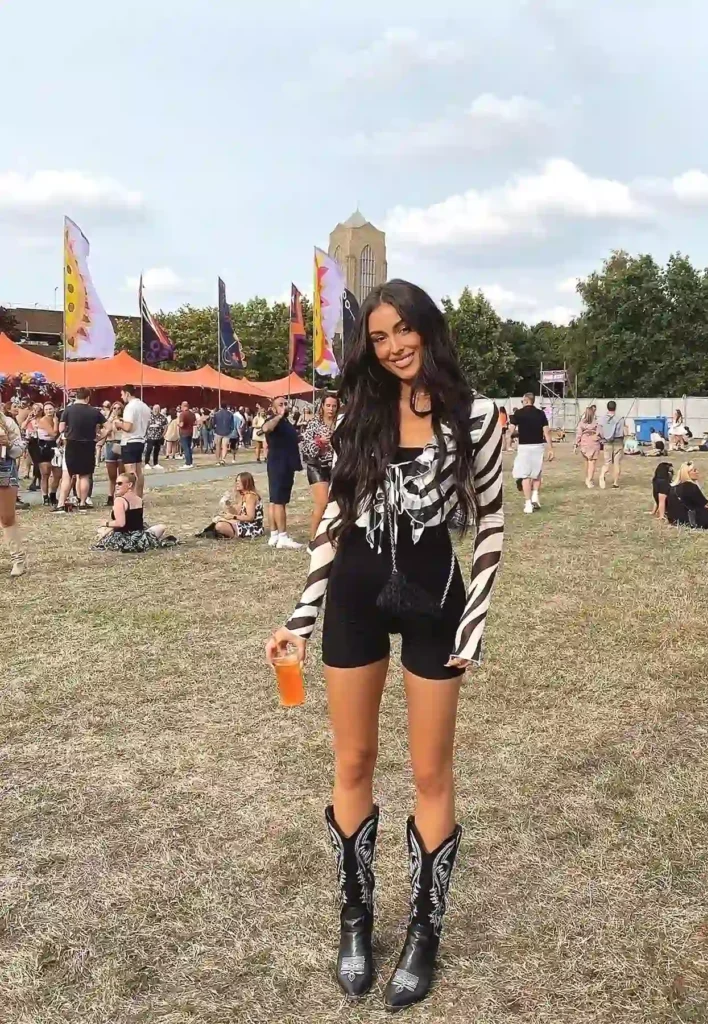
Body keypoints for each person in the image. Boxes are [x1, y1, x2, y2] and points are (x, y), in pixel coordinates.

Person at [266, 280, 504, 1010]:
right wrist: (300, 618)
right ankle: (356, 919)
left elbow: (492, 525)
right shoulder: (360, 414)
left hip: (436, 602)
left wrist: (475, 623)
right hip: (355, 600)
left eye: (404, 330)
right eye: (379, 336)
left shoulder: (478, 416)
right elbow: (332, 523)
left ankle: (424, 930)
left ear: (428, 330)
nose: (395, 346)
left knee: (432, 771)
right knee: (353, 760)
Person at [92, 471, 175, 552]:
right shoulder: (139, 499)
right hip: (140, 537)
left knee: (101, 529)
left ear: (129, 485)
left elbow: (120, 523)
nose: (116, 486)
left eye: (120, 483)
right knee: (160, 527)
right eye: (116, 483)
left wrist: (106, 523)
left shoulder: (120, 500)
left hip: (123, 539)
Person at [55, 389, 106, 513]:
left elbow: (61, 428)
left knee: (67, 475)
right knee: (84, 476)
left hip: (72, 443)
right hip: (88, 444)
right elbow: (108, 426)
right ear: (88, 398)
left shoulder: (68, 410)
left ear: (76, 397)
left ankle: (61, 504)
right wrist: (99, 437)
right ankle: (83, 503)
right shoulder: (94, 411)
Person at [263, 398, 303, 549]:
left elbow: (291, 438)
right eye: (280, 404)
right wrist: (279, 416)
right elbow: (266, 429)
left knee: (274, 500)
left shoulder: (285, 423)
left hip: (285, 463)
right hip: (279, 463)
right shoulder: (273, 420)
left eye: (286, 404)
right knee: (279, 501)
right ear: (273, 408)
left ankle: (274, 535)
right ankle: (283, 536)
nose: (284, 407)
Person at [300, 393, 339, 539]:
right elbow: (305, 448)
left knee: (334, 504)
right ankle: (313, 539)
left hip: (336, 467)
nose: (331, 409)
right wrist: (319, 442)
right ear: (322, 406)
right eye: (328, 405)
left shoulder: (340, 423)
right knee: (321, 503)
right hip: (317, 466)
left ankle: (329, 536)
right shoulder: (314, 423)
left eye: (334, 406)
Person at [510, 393, 553, 513]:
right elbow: (546, 432)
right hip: (538, 446)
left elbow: (511, 429)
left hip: (524, 446)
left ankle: (528, 504)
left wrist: (512, 436)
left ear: (526, 400)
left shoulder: (518, 413)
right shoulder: (540, 413)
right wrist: (550, 448)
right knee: (537, 472)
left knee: (524, 475)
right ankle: (535, 495)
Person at [197, 472, 265, 540]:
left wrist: (232, 517)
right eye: (236, 481)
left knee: (220, 525)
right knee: (218, 520)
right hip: (244, 524)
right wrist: (228, 505)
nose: (237, 483)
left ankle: (232, 535)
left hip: (252, 528)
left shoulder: (250, 496)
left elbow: (250, 517)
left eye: (239, 481)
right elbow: (237, 512)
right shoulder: (243, 495)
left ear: (246, 482)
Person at [0, 406, 26, 575]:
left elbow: (19, 450)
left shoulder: (7, 422)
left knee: (6, 517)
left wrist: (8, 444)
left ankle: (18, 559)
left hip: (4, 470)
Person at [116, 386, 152, 496]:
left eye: (122, 394)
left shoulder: (130, 407)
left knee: (130, 472)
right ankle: (139, 496)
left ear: (127, 394)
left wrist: (119, 424)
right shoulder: (145, 406)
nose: (122, 397)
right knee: (138, 471)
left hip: (130, 441)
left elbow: (128, 427)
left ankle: (131, 497)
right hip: (140, 439)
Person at [36, 401, 61, 505]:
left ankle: (53, 494)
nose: (49, 411)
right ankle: (45, 497)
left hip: (54, 446)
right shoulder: (43, 420)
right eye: (46, 409)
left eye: (50, 409)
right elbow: (54, 433)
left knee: (57, 474)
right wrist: (55, 422)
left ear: (54, 409)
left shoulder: (57, 419)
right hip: (44, 447)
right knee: (45, 473)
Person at [101, 401, 125, 506]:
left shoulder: (124, 420)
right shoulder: (108, 420)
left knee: (122, 474)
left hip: (120, 444)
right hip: (110, 444)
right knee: (112, 475)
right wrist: (111, 418)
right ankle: (110, 496)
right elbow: (106, 430)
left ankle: (121, 496)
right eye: (114, 408)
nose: (116, 410)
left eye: (118, 408)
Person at [598, 400, 626, 489]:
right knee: (617, 463)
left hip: (607, 442)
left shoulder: (602, 419)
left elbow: (600, 431)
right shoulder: (620, 418)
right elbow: (623, 431)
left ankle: (602, 475)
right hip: (618, 442)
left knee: (607, 462)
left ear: (607, 408)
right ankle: (615, 482)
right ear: (615, 408)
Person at [574, 404, 602, 489]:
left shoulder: (581, 423)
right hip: (593, 443)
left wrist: (576, 444)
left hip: (584, 443)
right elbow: (600, 433)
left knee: (586, 461)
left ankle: (587, 478)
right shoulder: (596, 423)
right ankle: (589, 480)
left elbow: (578, 434)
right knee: (592, 462)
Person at [145, 405, 167, 470]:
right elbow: (146, 426)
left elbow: (166, 426)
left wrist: (163, 435)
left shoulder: (162, 417)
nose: (155, 410)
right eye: (154, 408)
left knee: (156, 450)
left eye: (157, 409)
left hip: (158, 437)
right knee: (149, 450)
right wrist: (145, 434)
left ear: (159, 409)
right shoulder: (149, 417)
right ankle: (147, 463)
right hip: (150, 436)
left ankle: (156, 463)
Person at [178, 400, 196, 469]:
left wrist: (178, 424)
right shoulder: (192, 414)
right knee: (189, 447)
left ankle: (188, 463)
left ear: (183, 406)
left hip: (184, 433)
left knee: (186, 448)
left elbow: (182, 424)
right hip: (190, 432)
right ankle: (190, 462)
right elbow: (195, 423)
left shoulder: (182, 414)